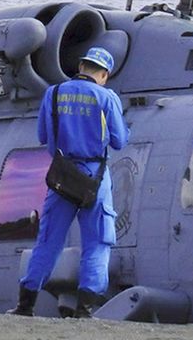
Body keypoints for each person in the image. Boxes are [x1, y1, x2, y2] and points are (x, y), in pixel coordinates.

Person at [10, 46, 129, 318]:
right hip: (94, 178)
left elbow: (42, 135)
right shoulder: (106, 97)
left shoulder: (53, 94)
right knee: (97, 242)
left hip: (61, 177)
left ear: (81, 66)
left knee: (48, 241)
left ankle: (25, 305)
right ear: (103, 74)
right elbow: (120, 141)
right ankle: (84, 310)